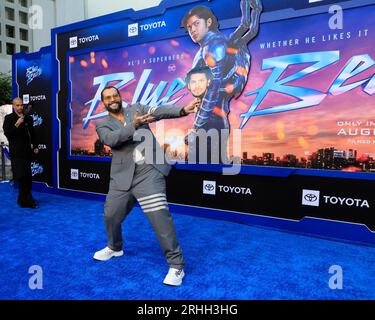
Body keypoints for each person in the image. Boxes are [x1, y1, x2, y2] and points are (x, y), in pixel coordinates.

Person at [94, 86, 200, 286]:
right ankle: (115, 247)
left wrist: (182, 110)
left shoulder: (137, 108)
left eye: (115, 95)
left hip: (149, 173)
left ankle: (176, 266)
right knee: (110, 215)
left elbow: (158, 111)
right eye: (108, 97)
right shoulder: (102, 124)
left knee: (159, 217)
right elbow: (111, 140)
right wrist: (133, 126)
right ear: (104, 103)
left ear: (120, 97)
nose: (112, 99)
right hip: (122, 178)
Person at [182, 0, 262, 162]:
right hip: (213, 121)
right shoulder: (213, 45)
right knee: (206, 175)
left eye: (196, 24)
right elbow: (248, 28)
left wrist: (196, 128)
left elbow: (213, 89)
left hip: (210, 122)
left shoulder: (213, 46)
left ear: (209, 22)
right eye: (190, 27)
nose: (193, 30)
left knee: (202, 174)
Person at [3, 97, 39, 208]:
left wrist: (36, 146)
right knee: (21, 177)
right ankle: (29, 200)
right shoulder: (9, 118)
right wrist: (17, 124)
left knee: (27, 178)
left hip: (27, 152)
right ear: (13, 106)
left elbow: (32, 133)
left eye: (21, 105)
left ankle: (22, 200)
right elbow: (8, 134)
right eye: (17, 105)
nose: (20, 107)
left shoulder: (28, 118)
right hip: (16, 153)